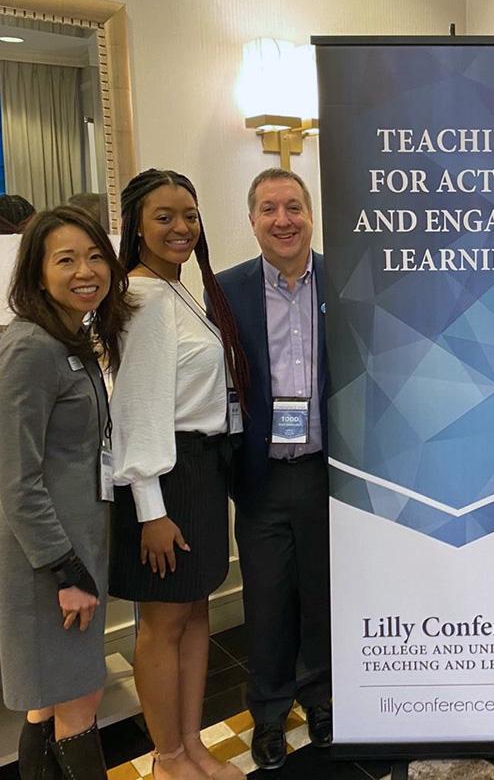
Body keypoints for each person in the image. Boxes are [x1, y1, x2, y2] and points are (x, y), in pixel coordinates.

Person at [108, 169, 249, 780]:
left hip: (199, 468)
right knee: (163, 621)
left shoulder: (178, 290)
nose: (180, 227)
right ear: (136, 225)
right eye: (163, 216)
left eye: (188, 214)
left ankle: (190, 746)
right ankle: (167, 759)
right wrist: (151, 509)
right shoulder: (138, 297)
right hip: (163, 480)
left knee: (194, 614)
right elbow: (135, 410)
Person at [0, 206, 132, 780]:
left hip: (72, 554)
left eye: (96, 255)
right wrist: (67, 572)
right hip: (51, 567)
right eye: (67, 259)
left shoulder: (67, 341)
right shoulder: (29, 350)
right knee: (79, 701)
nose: (86, 270)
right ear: (37, 272)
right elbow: (16, 479)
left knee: (47, 702)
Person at [216, 168, 331, 769]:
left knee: (321, 594)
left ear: (310, 214)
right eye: (268, 209)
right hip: (259, 475)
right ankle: (267, 713)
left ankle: (320, 699)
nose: (282, 219)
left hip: (325, 471)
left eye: (293, 207)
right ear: (252, 220)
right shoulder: (224, 290)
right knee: (265, 600)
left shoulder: (345, 280)